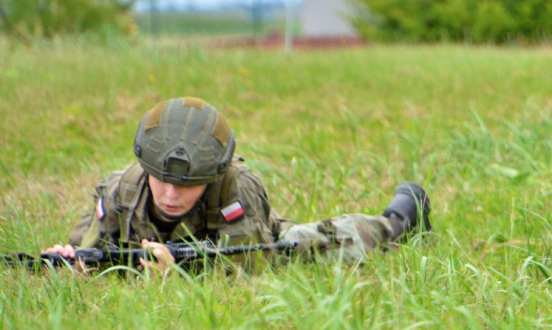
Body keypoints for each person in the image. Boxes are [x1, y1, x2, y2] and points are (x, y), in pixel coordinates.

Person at [43, 97, 431, 272]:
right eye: (162, 180)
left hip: (255, 240)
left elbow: (248, 267)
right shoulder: (120, 191)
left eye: (188, 184)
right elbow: (88, 247)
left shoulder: (236, 187)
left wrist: (175, 275)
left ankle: (401, 217)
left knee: (321, 243)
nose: (171, 194)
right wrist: (70, 262)